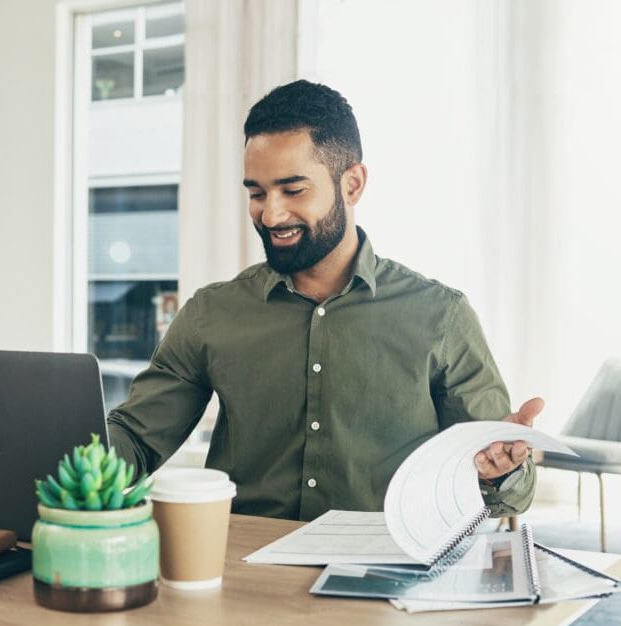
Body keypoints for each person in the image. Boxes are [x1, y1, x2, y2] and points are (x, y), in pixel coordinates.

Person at [108, 80, 541, 521]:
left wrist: (500, 471)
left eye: (293, 190)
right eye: (256, 193)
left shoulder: (440, 316)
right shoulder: (212, 314)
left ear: (352, 185)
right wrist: (60, 451)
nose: (271, 214)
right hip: (244, 572)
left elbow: (510, 494)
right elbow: (136, 439)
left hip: (382, 572)